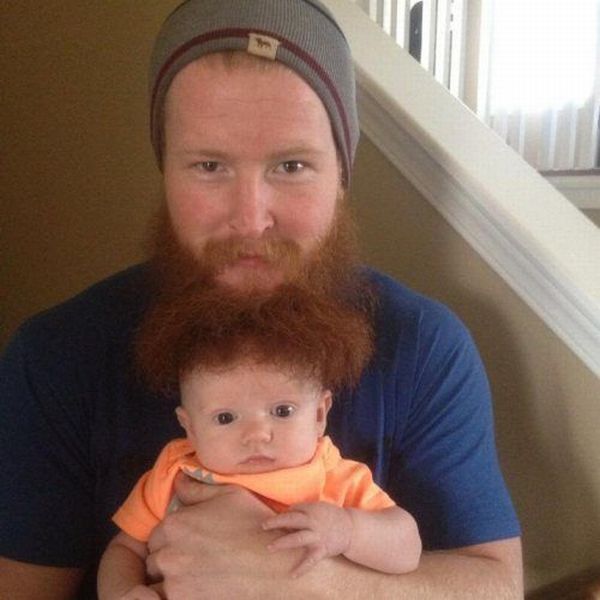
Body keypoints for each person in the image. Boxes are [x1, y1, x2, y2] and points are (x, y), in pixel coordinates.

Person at [0, 1, 523, 598]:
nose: (251, 220)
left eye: (292, 165)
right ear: (165, 172)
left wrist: (314, 582)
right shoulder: (56, 360)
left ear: (341, 176)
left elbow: (496, 585)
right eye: (209, 166)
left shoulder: (425, 346)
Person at [97, 308, 422, 599]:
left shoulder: (336, 479)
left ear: (319, 414)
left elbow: (407, 548)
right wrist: (123, 592)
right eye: (225, 418)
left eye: (282, 411)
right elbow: (125, 548)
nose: (256, 435)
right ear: (190, 428)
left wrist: (348, 530)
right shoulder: (175, 472)